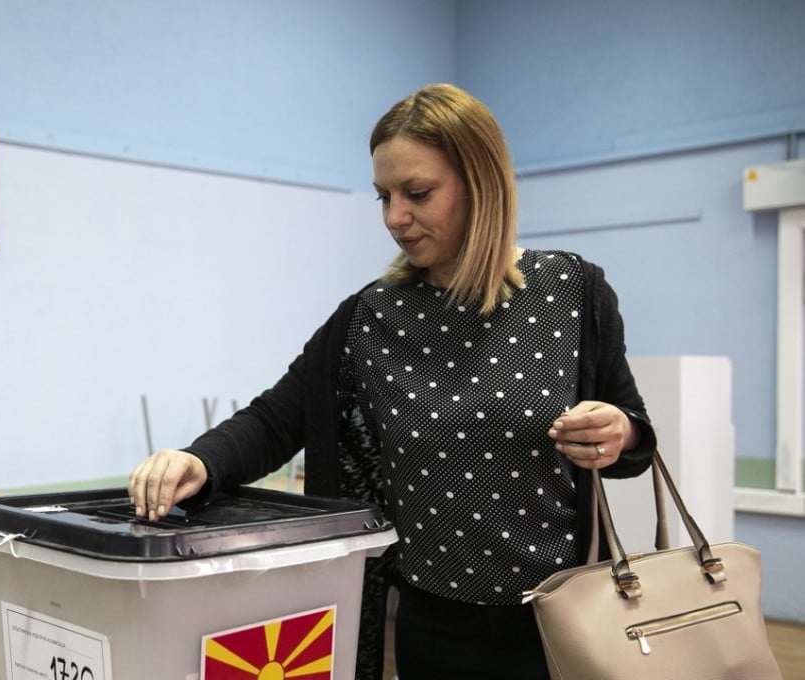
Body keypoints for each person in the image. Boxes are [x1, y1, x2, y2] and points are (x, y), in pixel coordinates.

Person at [128, 83, 656, 680]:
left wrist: (620, 433)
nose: (395, 217)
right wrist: (199, 462)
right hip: (433, 628)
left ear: (481, 184)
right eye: (384, 196)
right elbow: (277, 418)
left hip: (564, 625)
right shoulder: (369, 318)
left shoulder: (572, 292)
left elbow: (633, 438)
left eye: (418, 193)